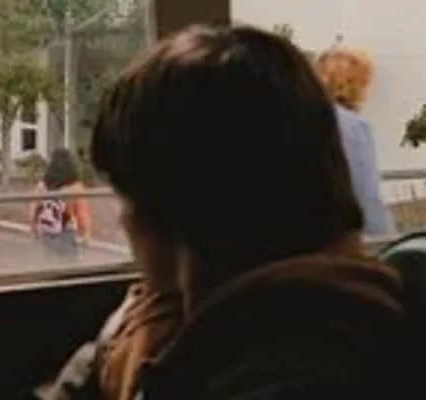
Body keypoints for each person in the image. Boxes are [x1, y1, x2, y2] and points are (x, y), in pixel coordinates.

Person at [43, 25, 419, 400]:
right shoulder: (362, 320)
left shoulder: (260, 373)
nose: (122, 220)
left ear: (165, 214)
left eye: (125, 198)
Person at [315, 47, 396, 236]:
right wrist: (385, 240)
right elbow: (366, 194)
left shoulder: (302, 119)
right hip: (343, 237)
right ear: (355, 85)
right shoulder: (353, 127)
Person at [28, 148, 92, 260]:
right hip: (66, 232)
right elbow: (83, 214)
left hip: (47, 231)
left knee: (48, 261)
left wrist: (33, 228)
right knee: (68, 264)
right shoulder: (75, 188)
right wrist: (87, 235)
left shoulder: (42, 186)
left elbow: (33, 210)